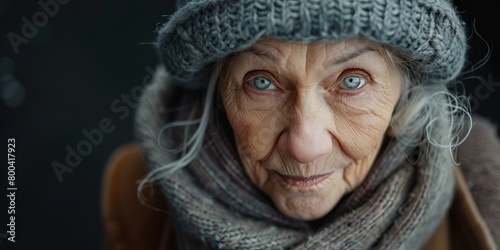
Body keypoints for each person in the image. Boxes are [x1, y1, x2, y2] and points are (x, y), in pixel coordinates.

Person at [101, 0, 500, 249]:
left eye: (352, 81)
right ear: (218, 88)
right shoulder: (136, 191)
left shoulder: (487, 191)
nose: (304, 145)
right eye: (261, 82)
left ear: (404, 91)